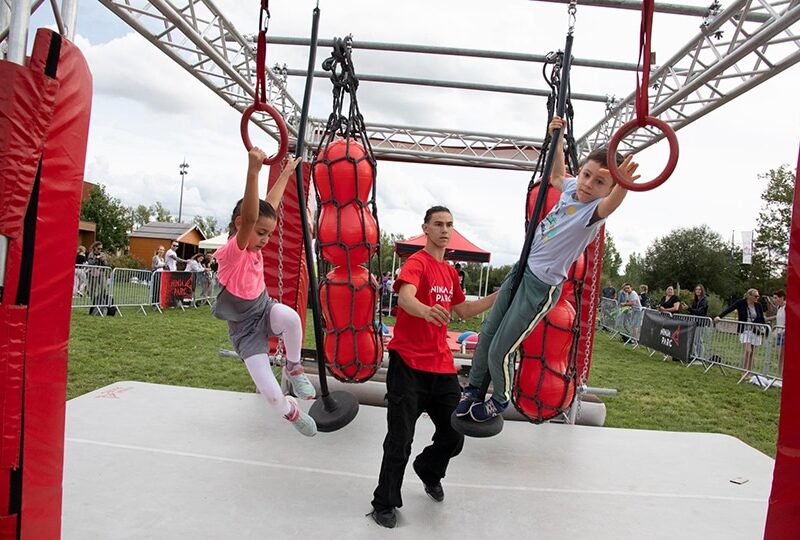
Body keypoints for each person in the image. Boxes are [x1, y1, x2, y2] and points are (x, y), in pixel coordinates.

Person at [457, 115, 640, 423]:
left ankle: (499, 400)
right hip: (522, 268)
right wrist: (556, 139)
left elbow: (611, 204)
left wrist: (622, 186)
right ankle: (474, 388)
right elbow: (556, 176)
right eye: (586, 175)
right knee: (487, 333)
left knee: (499, 351)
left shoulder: (592, 213)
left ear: (608, 189)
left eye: (600, 182)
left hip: (540, 286)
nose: (587, 184)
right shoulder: (571, 189)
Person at [369, 206, 498, 529]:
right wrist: (426, 311)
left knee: (455, 433)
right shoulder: (417, 263)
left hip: (441, 366)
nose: (444, 229)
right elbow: (405, 299)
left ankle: (428, 469)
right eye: (438, 224)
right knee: (400, 439)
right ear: (425, 228)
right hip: (408, 364)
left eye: (449, 224)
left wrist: (499, 296)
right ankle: (384, 502)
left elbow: (461, 309)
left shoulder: (450, 272)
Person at [210, 149, 316, 436]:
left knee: (291, 318)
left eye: (269, 234)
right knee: (270, 394)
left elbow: (269, 206)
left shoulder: (256, 233)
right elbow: (252, 215)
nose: (266, 240)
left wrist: (286, 174)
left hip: (264, 309)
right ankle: (290, 412)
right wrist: (253, 170)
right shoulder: (234, 252)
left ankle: (293, 368)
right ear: (240, 226)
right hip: (244, 330)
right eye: (261, 233)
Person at [714, 289, 766, 374]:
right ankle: (744, 371)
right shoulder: (741, 303)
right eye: (755, 296)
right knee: (747, 350)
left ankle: (749, 372)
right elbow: (729, 309)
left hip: (755, 330)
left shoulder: (758, 305)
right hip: (745, 330)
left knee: (752, 353)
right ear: (749, 296)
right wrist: (719, 316)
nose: (757, 298)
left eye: (758, 296)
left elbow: (761, 318)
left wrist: (764, 328)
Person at [769, 290, 786, 375]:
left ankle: (784, 375)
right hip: (779, 333)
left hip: (785, 333)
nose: (774, 300)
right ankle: (780, 375)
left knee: (783, 356)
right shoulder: (779, 308)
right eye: (774, 298)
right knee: (779, 356)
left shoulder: (787, 307)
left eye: (776, 298)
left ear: (782, 297)